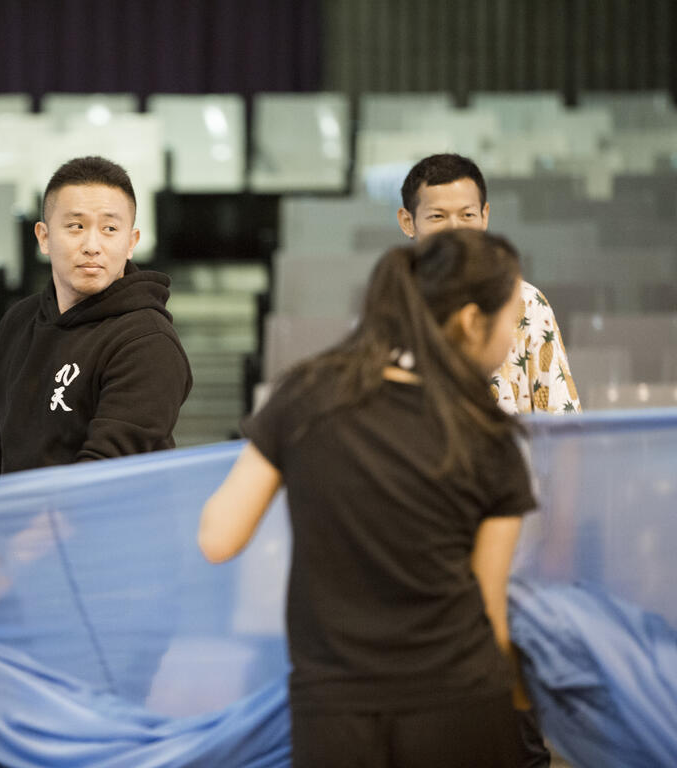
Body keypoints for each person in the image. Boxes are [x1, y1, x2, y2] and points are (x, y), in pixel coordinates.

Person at [200, 230, 536, 767]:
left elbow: (218, 538)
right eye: (515, 321)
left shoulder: (305, 396)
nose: (517, 338)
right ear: (473, 322)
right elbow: (490, 615)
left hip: (332, 713)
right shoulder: (487, 435)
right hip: (461, 708)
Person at [0, 155, 192, 478]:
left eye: (110, 229)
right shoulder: (19, 321)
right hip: (16, 521)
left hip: (106, 525)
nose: (92, 245)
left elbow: (106, 473)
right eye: (76, 226)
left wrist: (27, 530)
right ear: (43, 237)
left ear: (131, 242)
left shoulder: (147, 342)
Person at [397, 153, 581, 414]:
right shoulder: (392, 300)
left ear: (485, 216)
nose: (455, 230)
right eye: (437, 216)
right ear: (408, 222)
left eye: (467, 215)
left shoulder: (525, 301)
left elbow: (562, 421)